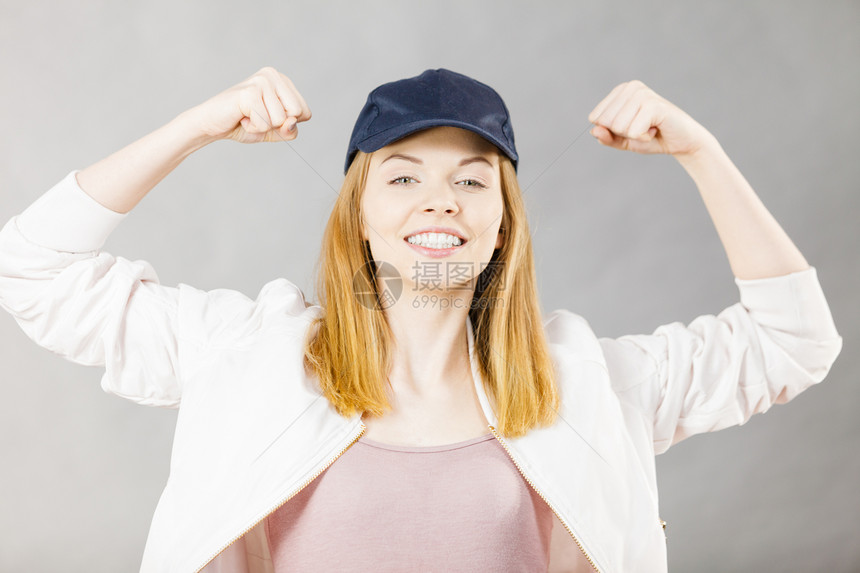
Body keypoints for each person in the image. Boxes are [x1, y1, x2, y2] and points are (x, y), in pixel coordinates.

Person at [0, 66, 842, 573]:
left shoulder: (588, 382)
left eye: (473, 180)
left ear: (502, 223)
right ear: (358, 216)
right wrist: (195, 126)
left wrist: (702, 150)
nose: (439, 198)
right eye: (402, 176)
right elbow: (31, 267)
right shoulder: (248, 355)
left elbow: (793, 342)